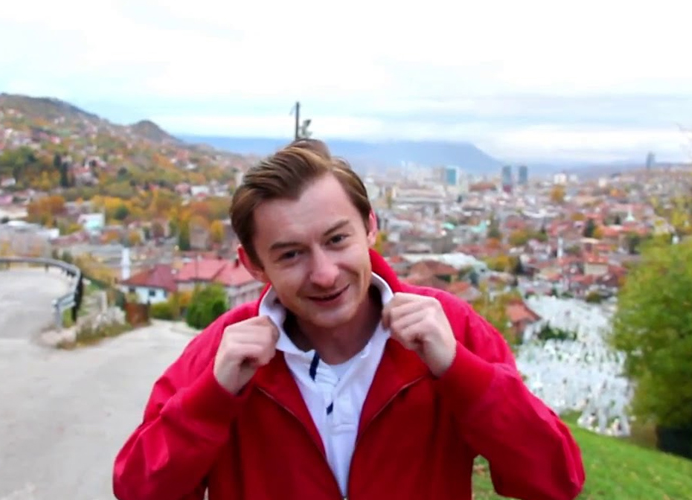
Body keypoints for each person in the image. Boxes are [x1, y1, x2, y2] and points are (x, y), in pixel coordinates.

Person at [112, 140, 585, 500]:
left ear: (370, 226)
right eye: (291, 254)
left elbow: (556, 477)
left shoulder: (451, 328)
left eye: (337, 240)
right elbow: (138, 489)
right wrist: (212, 400)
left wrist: (459, 371)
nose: (323, 274)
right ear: (254, 264)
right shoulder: (222, 352)